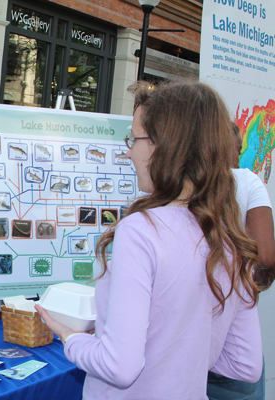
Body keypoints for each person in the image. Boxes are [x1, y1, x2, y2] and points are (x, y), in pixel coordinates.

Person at [35, 81, 263, 398]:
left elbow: (120, 366)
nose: (129, 151)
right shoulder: (228, 236)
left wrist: (71, 338)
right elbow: (245, 363)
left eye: (135, 139)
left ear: (163, 146)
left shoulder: (142, 231)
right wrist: (178, 358)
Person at [206, 123, 275, 400]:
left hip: (184, 344)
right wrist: (238, 294)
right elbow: (267, 259)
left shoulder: (178, 185)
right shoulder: (247, 181)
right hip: (236, 347)